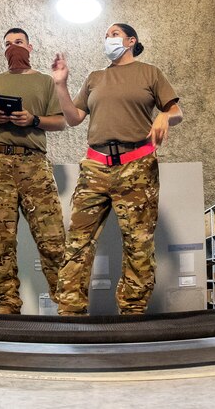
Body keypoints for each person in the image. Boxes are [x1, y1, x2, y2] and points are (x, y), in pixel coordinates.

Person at [51, 23, 183, 315]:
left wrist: (164, 116)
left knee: (139, 245)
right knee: (78, 242)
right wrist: (60, 84)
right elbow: (73, 118)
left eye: (113, 34)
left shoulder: (150, 73)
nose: (107, 39)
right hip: (95, 166)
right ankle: (70, 312)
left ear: (131, 40)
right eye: (106, 36)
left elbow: (176, 111)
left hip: (137, 166)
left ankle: (132, 312)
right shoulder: (95, 78)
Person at [0, 28, 67, 314]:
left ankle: (67, 303)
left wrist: (33, 119)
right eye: (8, 44)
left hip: (34, 161)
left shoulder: (45, 82)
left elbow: (60, 123)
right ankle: (7, 303)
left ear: (30, 47)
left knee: (52, 237)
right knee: (0, 237)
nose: (14, 48)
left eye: (19, 43)